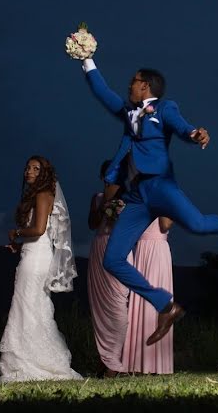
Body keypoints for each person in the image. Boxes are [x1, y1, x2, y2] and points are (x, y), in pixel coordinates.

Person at [81, 57, 218, 345]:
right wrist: (86, 59)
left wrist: (195, 134)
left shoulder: (165, 108)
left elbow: (183, 127)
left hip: (160, 186)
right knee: (113, 259)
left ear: (145, 86)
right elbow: (102, 91)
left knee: (197, 225)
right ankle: (167, 307)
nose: (129, 85)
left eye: (133, 81)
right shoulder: (128, 112)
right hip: (135, 196)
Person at [0, 156, 82, 381]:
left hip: (36, 259)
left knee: (28, 305)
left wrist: (16, 233)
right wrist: (19, 243)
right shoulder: (36, 195)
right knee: (31, 306)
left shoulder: (44, 195)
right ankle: (26, 359)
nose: (29, 171)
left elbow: (39, 228)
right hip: (32, 254)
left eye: (36, 168)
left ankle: (34, 361)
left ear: (44, 174)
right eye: (28, 167)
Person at [87, 160, 130, 376]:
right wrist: (103, 207)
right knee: (100, 308)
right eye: (106, 174)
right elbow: (92, 224)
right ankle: (104, 359)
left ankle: (115, 359)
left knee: (118, 304)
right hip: (98, 249)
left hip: (119, 250)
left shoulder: (130, 198)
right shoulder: (97, 197)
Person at [122, 217, 175, 374]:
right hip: (144, 249)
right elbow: (166, 224)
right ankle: (140, 362)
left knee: (150, 301)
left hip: (153, 250)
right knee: (141, 301)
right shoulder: (163, 198)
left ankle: (145, 363)